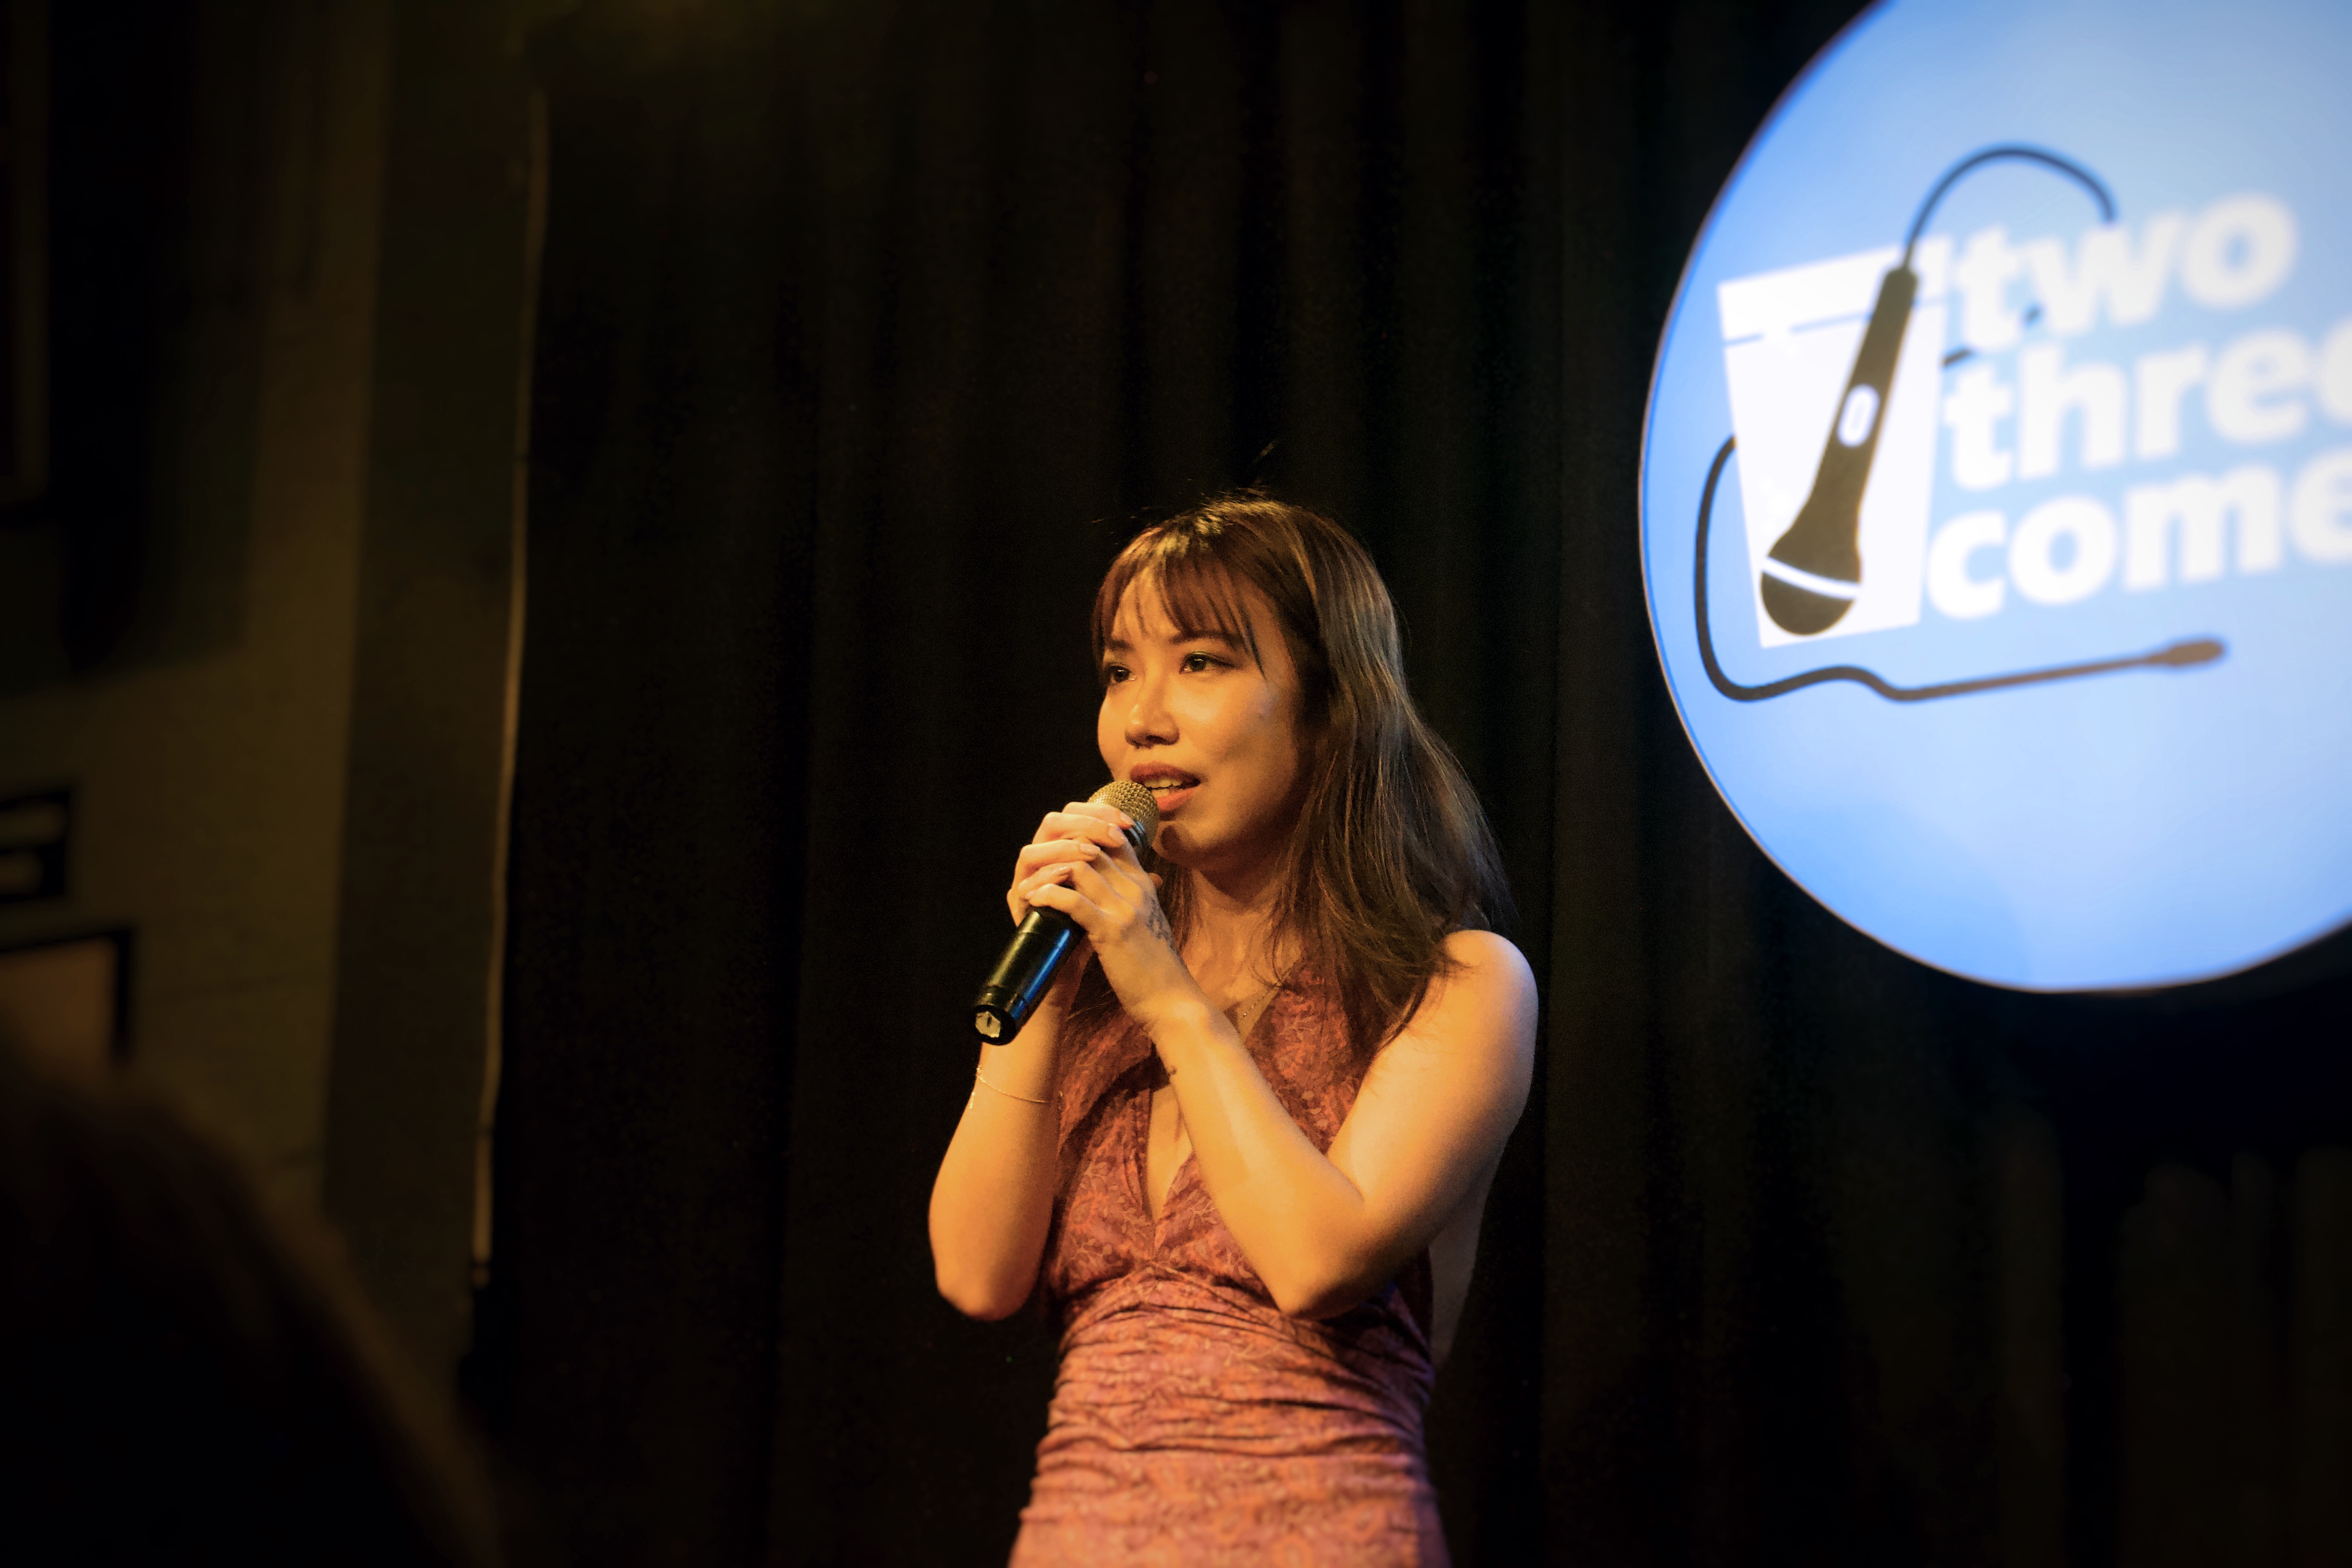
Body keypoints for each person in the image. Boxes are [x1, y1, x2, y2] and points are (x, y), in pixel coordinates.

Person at [929, 496, 1537, 1565]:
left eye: (1202, 663)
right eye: (1121, 671)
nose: (1142, 718)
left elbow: (1315, 1260)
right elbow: (977, 1274)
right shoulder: (1097, 1001)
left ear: (1330, 703)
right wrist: (1046, 992)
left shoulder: (1454, 985)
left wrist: (1165, 991)